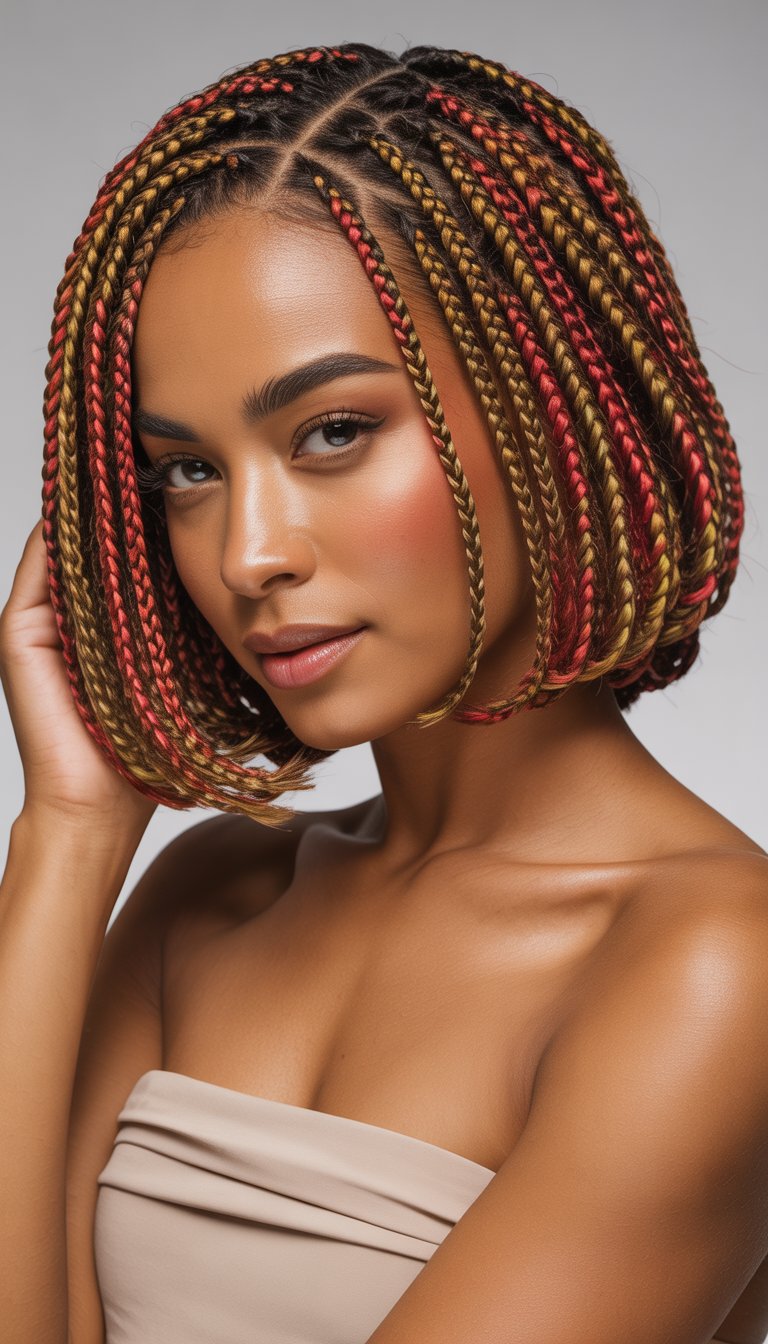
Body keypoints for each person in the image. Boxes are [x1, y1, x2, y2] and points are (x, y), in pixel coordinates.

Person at [0, 40, 766, 1344]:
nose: (250, 553)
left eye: (333, 432)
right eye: (187, 471)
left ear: (553, 410)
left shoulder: (714, 974)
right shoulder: (205, 897)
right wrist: (68, 839)